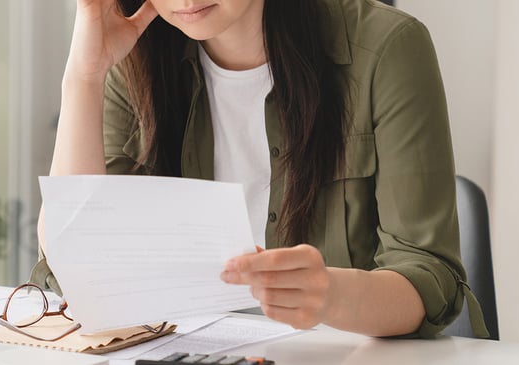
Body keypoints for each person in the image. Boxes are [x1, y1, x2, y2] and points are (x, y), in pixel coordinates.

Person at [29, 0, 487, 338]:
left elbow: (429, 277)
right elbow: (73, 262)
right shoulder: (138, 53)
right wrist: (83, 78)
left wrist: (329, 293)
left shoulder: (386, 49)